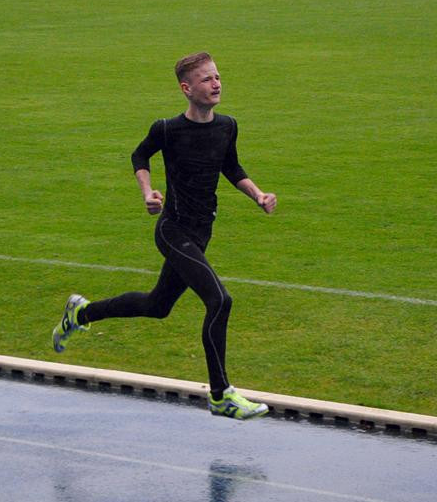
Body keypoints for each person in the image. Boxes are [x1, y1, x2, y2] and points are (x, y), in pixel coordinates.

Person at [52, 52, 276, 420]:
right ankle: (220, 395)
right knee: (220, 301)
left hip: (202, 232)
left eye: (218, 76)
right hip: (173, 230)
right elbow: (139, 156)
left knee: (158, 305)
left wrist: (258, 195)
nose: (216, 83)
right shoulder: (168, 130)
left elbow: (231, 167)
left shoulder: (227, 126)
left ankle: (81, 313)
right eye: (207, 79)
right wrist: (147, 192)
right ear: (187, 89)